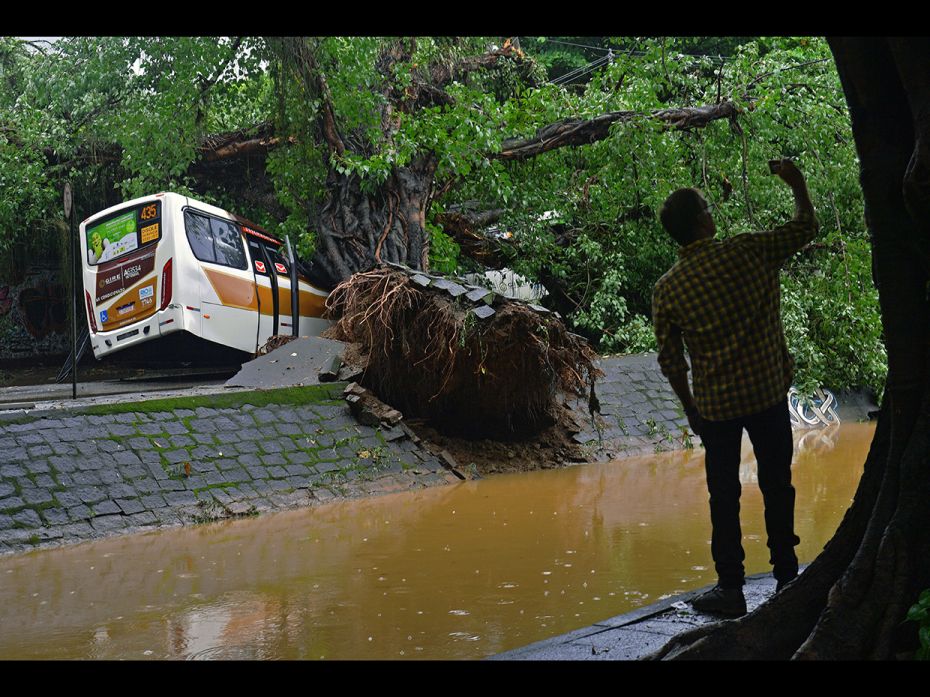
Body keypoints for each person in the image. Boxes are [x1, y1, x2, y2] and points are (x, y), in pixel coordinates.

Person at [651, 159, 818, 617]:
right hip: (766, 395)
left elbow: (670, 362)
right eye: (707, 206)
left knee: (723, 496)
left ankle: (730, 589)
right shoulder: (748, 251)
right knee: (777, 484)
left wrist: (690, 410)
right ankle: (788, 577)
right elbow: (805, 225)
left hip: (716, 409)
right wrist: (797, 183)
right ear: (703, 220)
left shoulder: (668, 289)